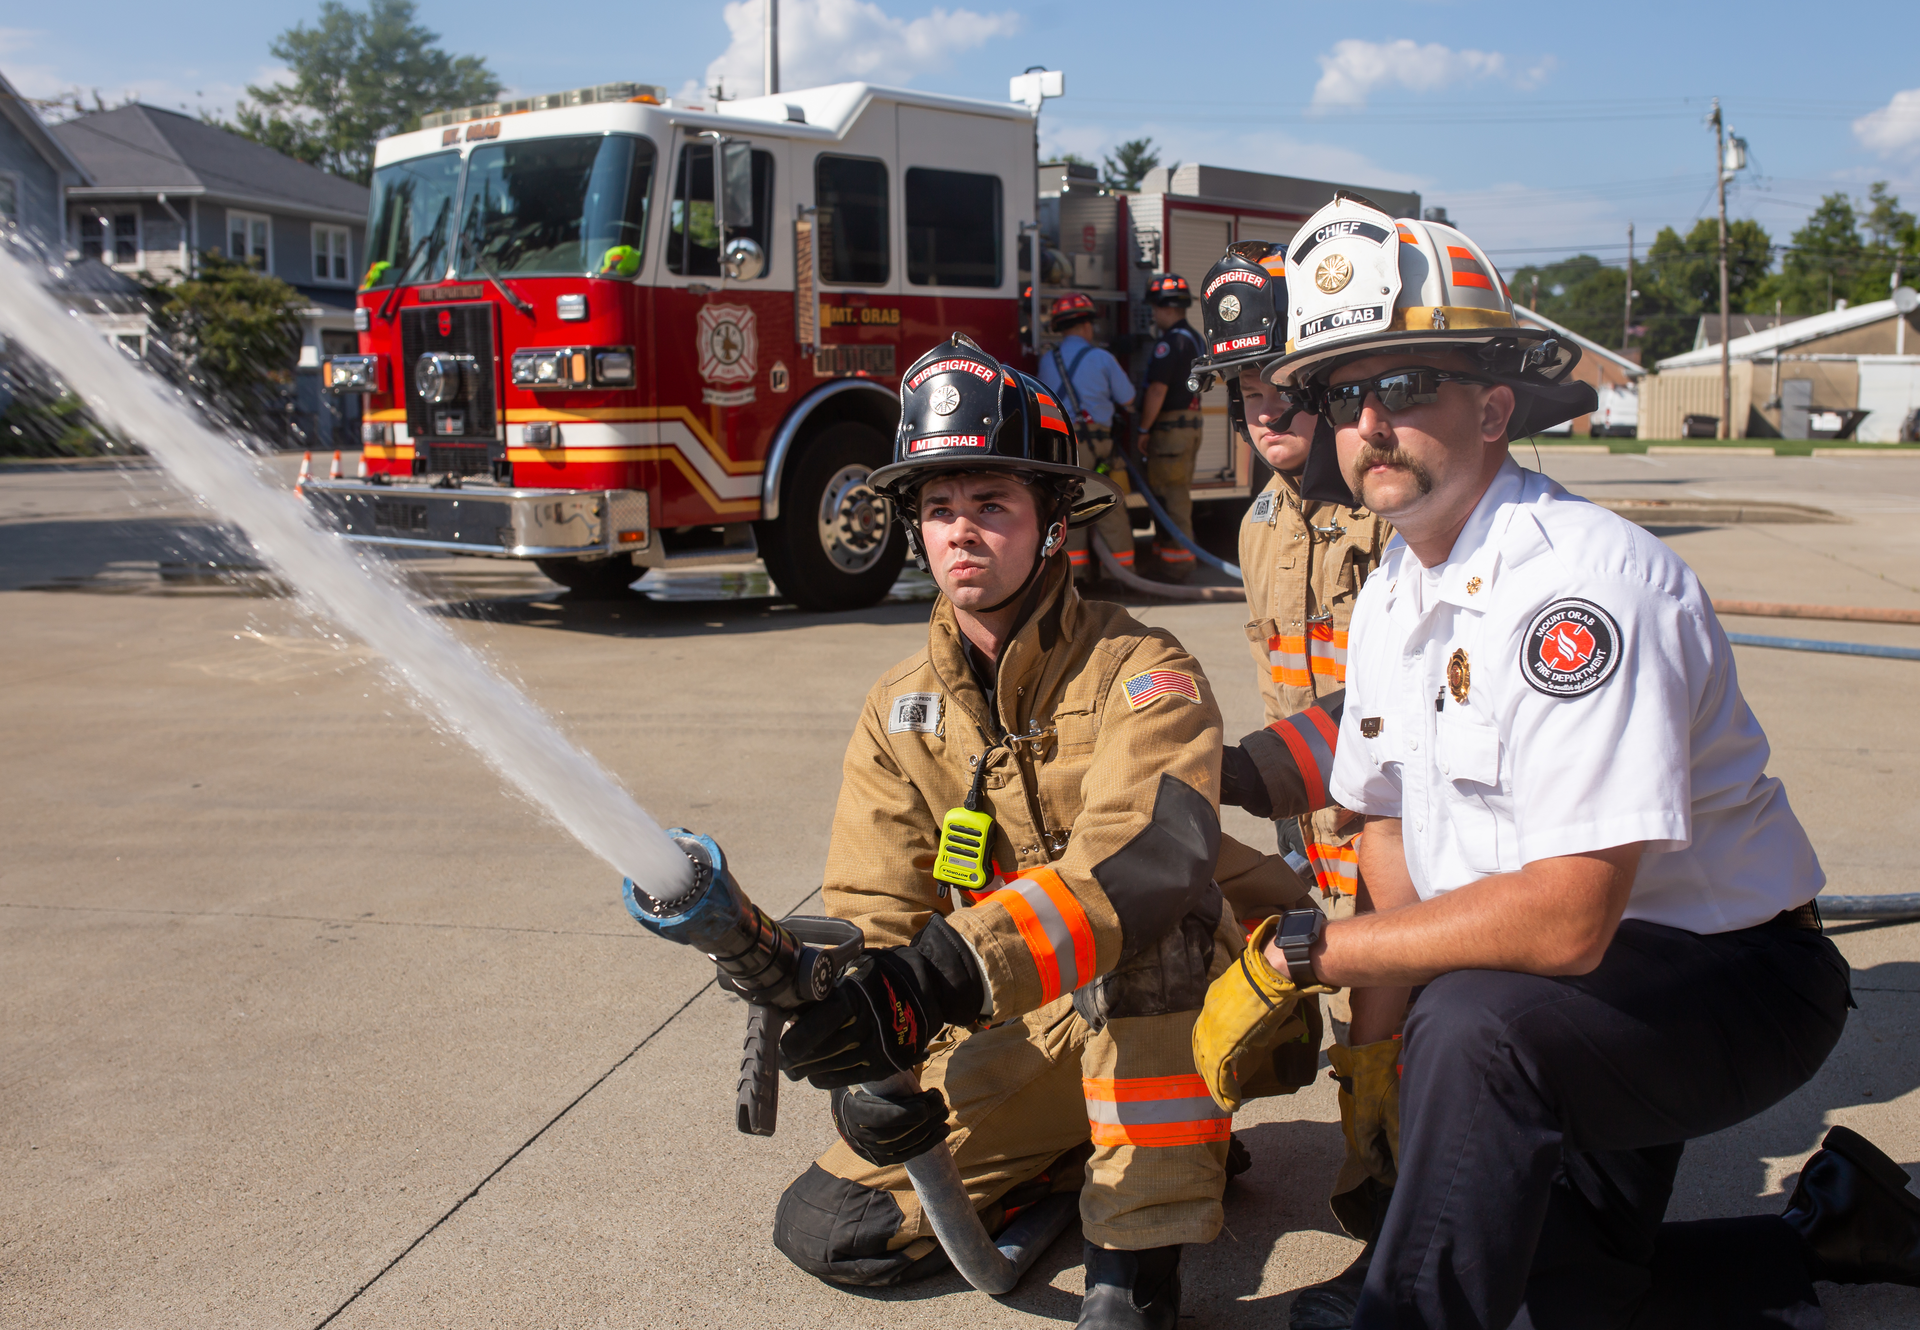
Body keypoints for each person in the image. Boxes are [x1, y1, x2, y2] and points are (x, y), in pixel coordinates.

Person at [1194, 192, 1920, 1328]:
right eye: (1343, 393)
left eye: (1403, 385)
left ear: (1492, 409)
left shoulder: (1580, 589)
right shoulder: (1395, 587)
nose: (1370, 422)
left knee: (1472, 1034)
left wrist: (1311, 954)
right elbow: (1383, 828)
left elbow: (1570, 918)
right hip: (1560, 997)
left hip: (1721, 980)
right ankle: (1836, 1230)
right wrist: (1375, 1070)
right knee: (1564, 1297)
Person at [771, 334, 1339, 1330]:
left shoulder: (1144, 669)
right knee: (835, 1227)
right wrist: (875, 1045)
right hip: (1023, 1007)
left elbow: (1149, 863)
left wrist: (937, 977)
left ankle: (1139, 1255)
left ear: (1052, 525)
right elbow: (875, 907)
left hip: (1203, 990)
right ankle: (1088, 1141)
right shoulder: (898, 708)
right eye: (939, 509)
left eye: (991, 506)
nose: (961, 535)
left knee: (1146, 937)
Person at [1191, 242, 1398, 1328]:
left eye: (1283, 384)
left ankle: (1388, 1179)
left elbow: (1387, 705)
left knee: (1392, 1013)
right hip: (1309, 831)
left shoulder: (1396, 509)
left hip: (1400, 828)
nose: (1264, 408)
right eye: (1245, 389)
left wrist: (1251, 775)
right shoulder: (1261, 521)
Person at [1037, 291, 1139, 584]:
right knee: (1111, 507)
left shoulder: (1047, 361)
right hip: (1100, 447)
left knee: (1068, 509)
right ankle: (1120, 577)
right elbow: (1129, 399)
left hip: (1064, 448)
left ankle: (1073, 577)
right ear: (1087, 326)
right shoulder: (1102, 358)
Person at [1135, 273, 1206, 580]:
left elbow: (1157, 390)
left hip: (1170, 430)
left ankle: (1177, 565)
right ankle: (1171, 556)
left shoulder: (1169, 343)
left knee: (1170, 495)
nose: (1153, 315)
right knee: (1176, 492)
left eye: (1154, 309)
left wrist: (1143, 429)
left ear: (1165, 308)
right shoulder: (1194, 338)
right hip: (1189, 426)